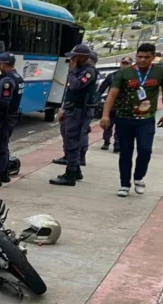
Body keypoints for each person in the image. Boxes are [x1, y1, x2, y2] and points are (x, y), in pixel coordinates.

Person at [100, 43, 163, 197]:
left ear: (153, 57)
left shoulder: (159, 72)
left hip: (146, 119)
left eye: (146, 57)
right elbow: (112, 95)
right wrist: (105, 115)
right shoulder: (125, 72)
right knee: (125, 153)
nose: (142, 60)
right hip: (124, 118)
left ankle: (139, 177)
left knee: (145, 150)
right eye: (139, 56)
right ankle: (124, 184)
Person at [50, 44, 98, 186]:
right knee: (68, 137)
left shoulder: (88, 72)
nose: (72, 59)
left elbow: (76, 86)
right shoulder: (79, 70)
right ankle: (75, 170)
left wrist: (71, 71)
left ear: (82, 57)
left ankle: (70, 174)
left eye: (74, 56)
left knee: (73, 141)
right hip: (72, 109)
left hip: (79, 111)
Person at [0, 52, 24, 187]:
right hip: (11, 116)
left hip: (4, 118)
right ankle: (4, 173)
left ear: (5, 64)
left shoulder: (7, 80)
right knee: (3, 145)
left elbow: (4, 101)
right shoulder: (17, 77)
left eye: (0, 64)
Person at [96, 56, 132, 153]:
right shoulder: (112, 76)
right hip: (112, 104)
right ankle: (106, 141)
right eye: (123, 63)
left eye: (127, 63)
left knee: (121, 126)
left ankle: (117, 143)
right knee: (108, 124)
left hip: (125, 105)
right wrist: (96, 98)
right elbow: (102, 88)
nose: (124, 65)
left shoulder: (133, 78)